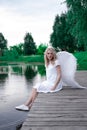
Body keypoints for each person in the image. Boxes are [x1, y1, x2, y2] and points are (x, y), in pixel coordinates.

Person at [15, 47, 63, 111]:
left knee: (36, 87)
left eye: (51, 53)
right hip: (49, 82)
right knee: (36, 87)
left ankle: (30, 106)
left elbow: (59, 75)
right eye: (48, 53)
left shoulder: (56, 62)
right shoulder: (47, 63)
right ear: (46, 54)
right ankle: (26, 105)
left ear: (53, 54)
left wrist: (54, 86)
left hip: (55, 84)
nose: (49, 55)